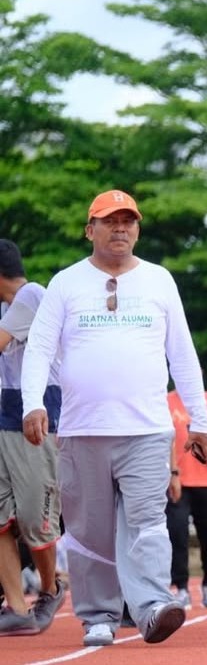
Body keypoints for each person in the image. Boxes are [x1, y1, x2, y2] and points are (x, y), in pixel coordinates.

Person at [21, 189, 207, 647]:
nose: (120, 228)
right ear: (91, 230)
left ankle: (150, 608)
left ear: (137, 229)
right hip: (84, 430)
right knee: (89, 531)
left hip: (147, 429)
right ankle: (98, 615)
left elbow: (182, 354)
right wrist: (33, 403)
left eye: (129, 221)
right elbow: (40, 348)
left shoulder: (160, 280)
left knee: (148, 521)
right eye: (110, 221)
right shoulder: (66, 282)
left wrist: (199, 419)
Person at [0, 239, 67, 636]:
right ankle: (16, 607)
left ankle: (51, 588)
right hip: (3, 410)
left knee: (34, 515)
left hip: (36, 409)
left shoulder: (32, 294)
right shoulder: (6, 307)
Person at [165, 388, 207, 611]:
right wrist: (172, 472)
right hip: (177, 480)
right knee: (176, 533)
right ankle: (181, 586)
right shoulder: (166, 401)